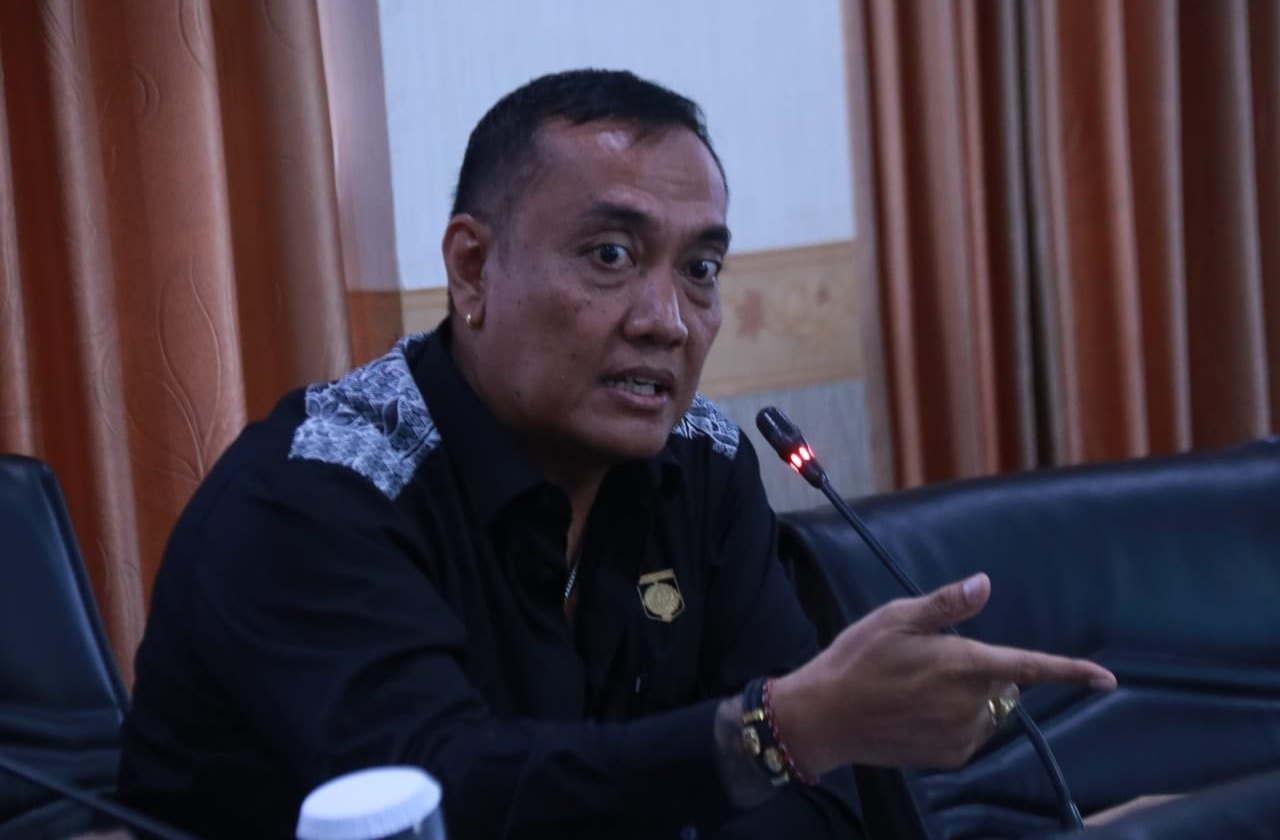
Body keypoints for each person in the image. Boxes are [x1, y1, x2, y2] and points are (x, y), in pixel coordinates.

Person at [118, 69, 1115, 838]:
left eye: (700, 268)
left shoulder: (701, 462)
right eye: (610, 255)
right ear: (472, 267)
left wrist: (797, 739)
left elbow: (813, 805)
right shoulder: (318, 490)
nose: (666, 319)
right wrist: (775, 732)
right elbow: (441, 797)